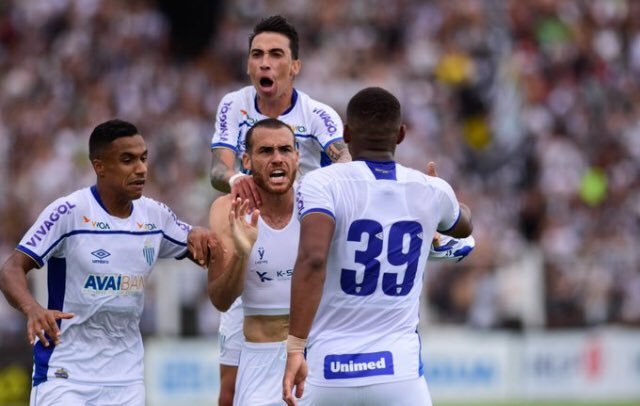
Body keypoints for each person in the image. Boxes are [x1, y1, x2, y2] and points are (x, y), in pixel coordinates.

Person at [0, 119, 216, 406]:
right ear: (99, 166)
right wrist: (33, 309)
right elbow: (11, 268)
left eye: (143, 158)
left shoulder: (155, 216)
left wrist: (201, 235)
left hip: (126, 381)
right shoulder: (69, 213)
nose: (141, 169)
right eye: (127, 160)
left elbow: (198, 243)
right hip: (66, 376)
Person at [282, 87, 474, 406]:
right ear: (400, 135)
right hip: (399, 371)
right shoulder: (431, 190)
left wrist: (294, 347)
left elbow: (313, 259)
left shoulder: (321, 184)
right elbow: (464, 224)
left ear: (345, 133)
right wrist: (440, 202)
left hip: (330, 368)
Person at [208, 14, 349, 406]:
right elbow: (219, 168)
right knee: (230, 390)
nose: (264, 63)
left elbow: (345, 163)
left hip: (300, 230)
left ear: (295, 66)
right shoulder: (233, 105)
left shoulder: (318, 115)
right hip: (251, 232)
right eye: (257, 55)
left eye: (275, 54)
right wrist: (239, 180)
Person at [208, 118, 300, 405]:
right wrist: (242, 252)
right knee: (228, 392)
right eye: (265, 151)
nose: (277, 159)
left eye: (285, 150)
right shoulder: (229, 209)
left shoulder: (317, 202)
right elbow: (221, 300)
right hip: (260, 356)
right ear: (246, 160)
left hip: (316, 351)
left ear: (297, 156)